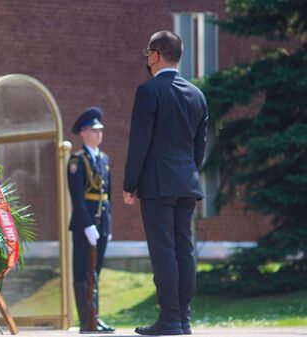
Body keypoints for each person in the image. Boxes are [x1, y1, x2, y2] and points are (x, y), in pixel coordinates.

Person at [123, 31, 208, 336]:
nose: (147, 58)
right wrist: (187, 174)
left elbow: (139, 143)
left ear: (156, 55)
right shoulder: (197, 94)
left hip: (158, 185)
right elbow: (200, 147)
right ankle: (182, 318)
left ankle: (170, 319)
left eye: (148, 53)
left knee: (164, 251)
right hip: (186, 183)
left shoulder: (148, 92)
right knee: (183, 250)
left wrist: (129, 184)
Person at [67, 107, 115, 334]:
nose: (99, 134)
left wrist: (108, 224)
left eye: (100, 130)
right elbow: (77, 196)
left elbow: (109, 195)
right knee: (83, 271)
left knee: (96, 272)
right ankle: (86, 320)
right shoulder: (77, 160)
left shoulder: (104, 159)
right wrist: (87, 225)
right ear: (84, 132)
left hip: (102, 224)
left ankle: (95, 317)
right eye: (94, 130)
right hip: (84, 225)